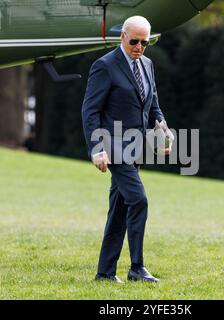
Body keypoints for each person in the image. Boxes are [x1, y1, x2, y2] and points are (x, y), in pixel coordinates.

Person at [81, 16, 171, 283]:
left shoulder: (147, 65)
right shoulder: (104, 66)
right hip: (113, 148)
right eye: (134, 41)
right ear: (122, 36)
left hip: (136, 147)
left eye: (145, 42)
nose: (139, 47)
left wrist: (163, 132)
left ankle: (105, 273)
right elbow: (90, 110)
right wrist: (96, 149)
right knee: (138, 200)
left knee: (119, 210)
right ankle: (136, 268)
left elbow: (152, 105)